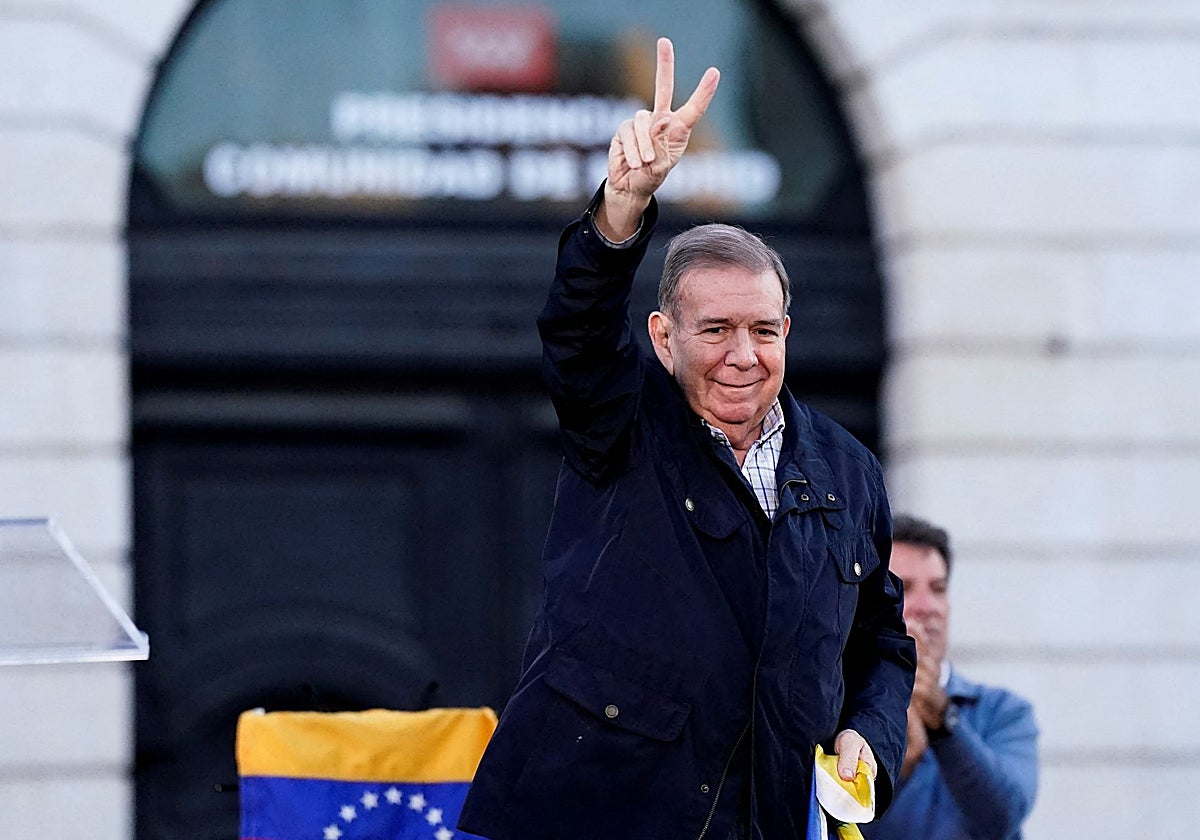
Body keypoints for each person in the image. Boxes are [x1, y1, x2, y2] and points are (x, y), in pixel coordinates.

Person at [458, 37, 915, 840]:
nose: (744, 355)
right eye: (717, 331)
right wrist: (621, 209)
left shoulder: (848, 469)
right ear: (664, 338)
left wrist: (868, 737)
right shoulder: (624, 420)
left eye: (764, 330)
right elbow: (578, 333)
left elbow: (883, 642)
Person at [861, 514, 1039, 840]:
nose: (926, 607)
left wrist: (944, 723)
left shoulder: (1002, 711)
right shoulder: (845, 714)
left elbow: (1004, 818)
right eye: (904, 588)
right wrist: (896, 767)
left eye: (938, 589)